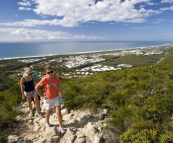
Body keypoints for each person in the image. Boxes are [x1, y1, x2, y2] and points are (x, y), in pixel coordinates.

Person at [35, 65, 65, 133]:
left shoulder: (56, 78)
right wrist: (41, 95)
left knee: (58, 113)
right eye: (49, 72)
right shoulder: (44, 79)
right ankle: (47, 123)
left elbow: (59, 87)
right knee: (48, 112)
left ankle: (61, 126)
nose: (50, 73)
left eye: (51, 72)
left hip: (56, 97)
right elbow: (36, 87)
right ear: (46, 73)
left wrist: (62, 96)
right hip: (48, 99)